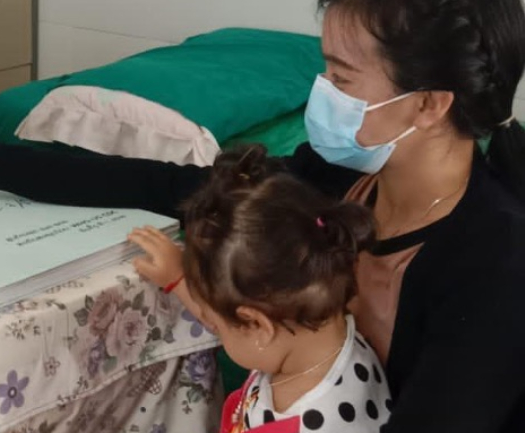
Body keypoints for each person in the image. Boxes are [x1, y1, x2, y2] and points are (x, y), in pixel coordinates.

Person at [0, 0, 525, 432]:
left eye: (341, 77)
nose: (323, 92)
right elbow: (178, 185)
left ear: (427, 104)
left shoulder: (496, 267)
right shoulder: (344, 177)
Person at [130, 145, 389, 432]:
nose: (213, 325)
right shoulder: (322, 331)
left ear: (257, 324)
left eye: (215, 322)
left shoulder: (305, 422)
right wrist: (178, 278)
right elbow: (235, 323)